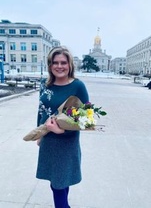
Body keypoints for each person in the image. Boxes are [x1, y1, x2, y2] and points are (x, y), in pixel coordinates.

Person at [36, 46, 89, 208]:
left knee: (58, 186)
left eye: (63, 62)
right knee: (58, 183)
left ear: (70, 65)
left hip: (66, 144)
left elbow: (86, 119)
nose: (59, 66)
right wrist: (38, 133)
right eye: (55, 62)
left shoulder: (78, 86)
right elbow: (41, 111)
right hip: (48, 142)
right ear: (50, 65)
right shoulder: (45, 85)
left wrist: (60, 130)